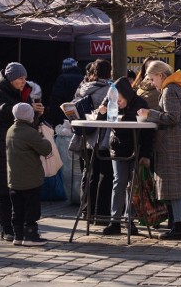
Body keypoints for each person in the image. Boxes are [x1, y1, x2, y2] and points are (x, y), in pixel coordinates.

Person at [136, 61, 181, 240]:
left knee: (175, 187)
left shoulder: (169, 89)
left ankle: (179, 227)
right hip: (180, 143)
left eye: (152, 78)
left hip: (172, 144)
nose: (152, 83)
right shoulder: (178, 86)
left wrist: (150, 114)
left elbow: (172, 117)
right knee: (180, 187)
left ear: (161, 75)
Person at [0, 62, 44, 242]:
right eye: (21, 78)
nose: (23, 81)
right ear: (12, 79)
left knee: (15, 189)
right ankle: (7, 229)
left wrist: (34, 113)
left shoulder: (18, 91)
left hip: (15, 143)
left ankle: (17, 230)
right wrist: (23, 108)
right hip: (1, 142)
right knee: (4, 190)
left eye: (25, 78)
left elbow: (23, 118)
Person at [98, 76, 149, 236]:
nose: (118, 103)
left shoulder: (140, 103)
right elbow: (101, 119)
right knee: (119, 182)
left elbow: (149, 131)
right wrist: (101, 112)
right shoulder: (110, 99)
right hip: (118, 147)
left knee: (133, 185)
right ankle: (115, 221)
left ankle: (130, 219)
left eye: (120, 100)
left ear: (126, 95)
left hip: (137, 147)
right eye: (115, 101)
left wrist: (146, 154)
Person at [6, 102, 52, 246]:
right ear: (30, 116)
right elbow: (45, 149)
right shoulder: (30, 133)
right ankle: (30, 235)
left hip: (14, 178)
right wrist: (46, 140)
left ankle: (18, 235)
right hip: (30, 178)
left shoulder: (11, 130)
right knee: (31, 208)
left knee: (17, 209)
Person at [73, 59, 114, 223]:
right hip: (103, 137)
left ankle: (87, 211)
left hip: (85, 136)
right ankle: (102, 213)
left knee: (90, 174)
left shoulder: (83, 88)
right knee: (106, 175)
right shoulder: (109, 89)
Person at [46, 58, 84, 125]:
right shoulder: (83, 78)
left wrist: (50, 117)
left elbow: (56, 99)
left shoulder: (62, 78)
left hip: (64, 114)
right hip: (80, 113)